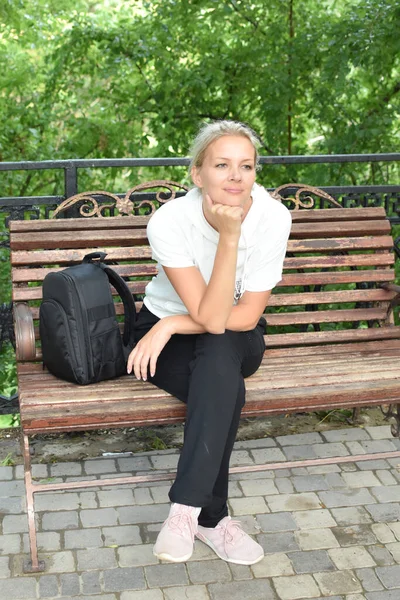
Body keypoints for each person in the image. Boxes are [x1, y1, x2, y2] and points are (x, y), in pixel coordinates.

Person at [127, 120, 292, 565]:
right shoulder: (169, 221)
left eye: (247, 166)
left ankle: (183, 509)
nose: (236, 176)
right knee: (224, 387)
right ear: (198, 174)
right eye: (222, 165)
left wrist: (173, 325)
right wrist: (166, 326)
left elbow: (240, 317)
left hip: (238, 332)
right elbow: (208, 315)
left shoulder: (274, 217)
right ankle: (212, 519)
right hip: (166, 335)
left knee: (222, 350)